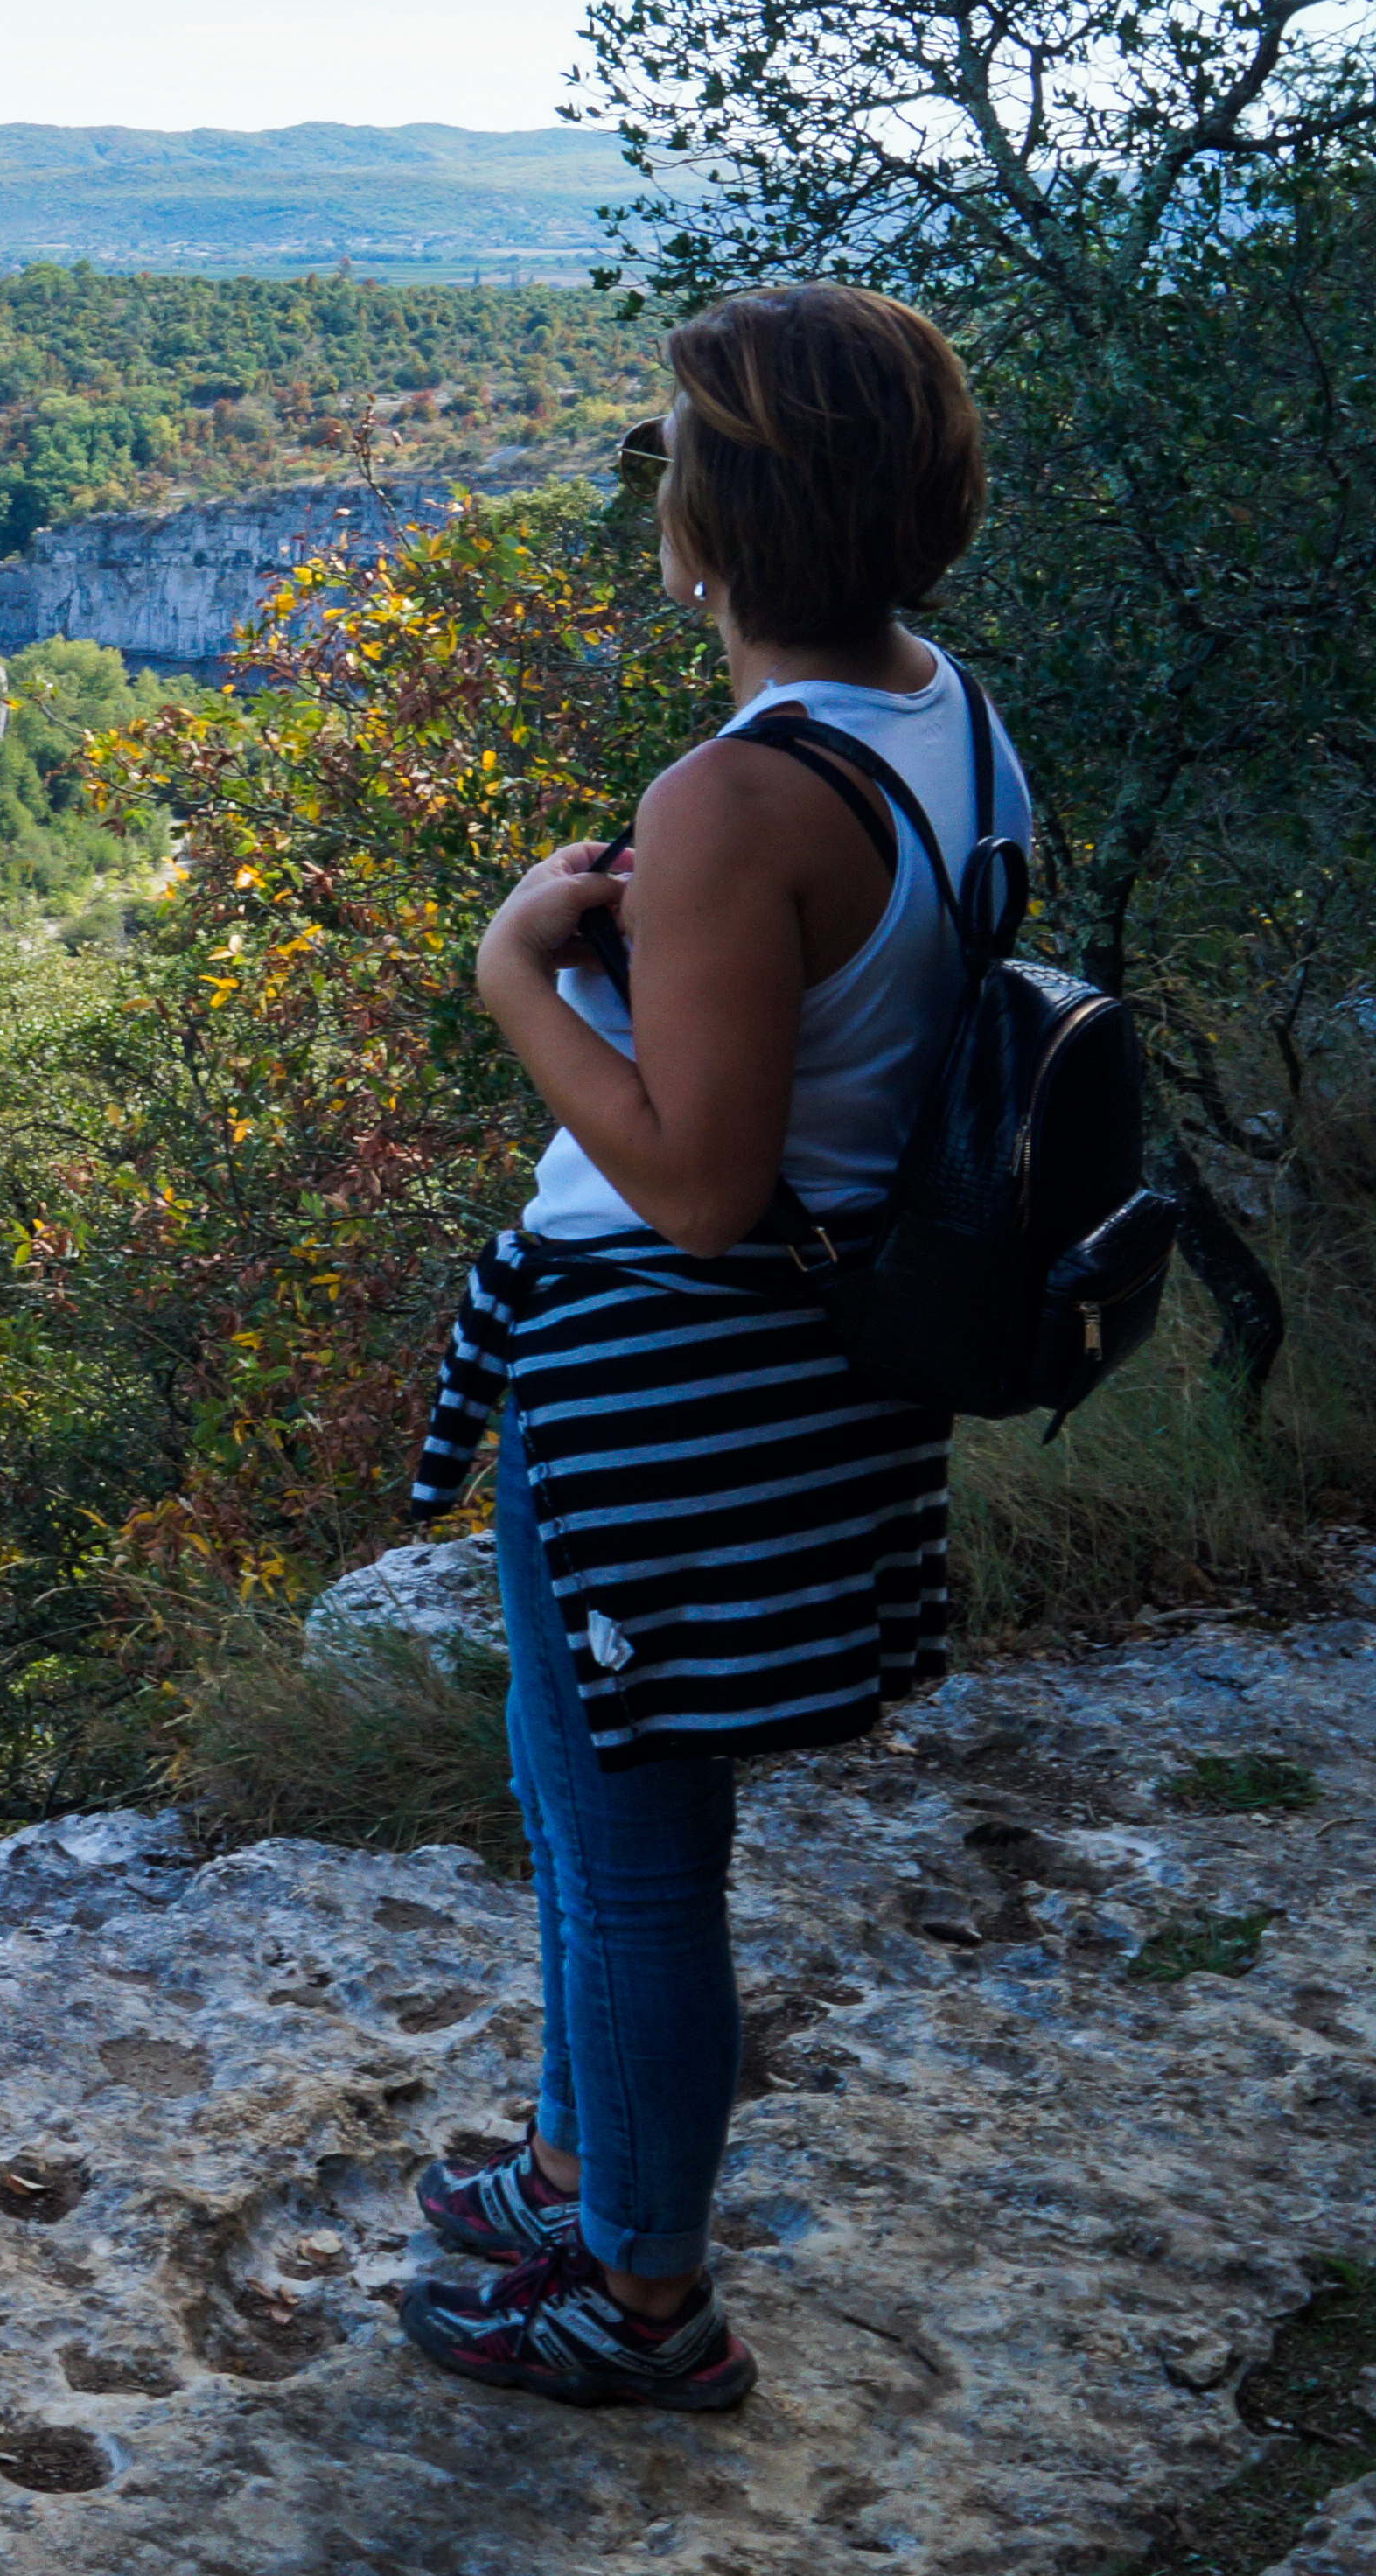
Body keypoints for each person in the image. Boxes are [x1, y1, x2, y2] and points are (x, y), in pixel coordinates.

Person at [398, 281, 1026, 2412]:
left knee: (635, 1847)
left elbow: (690, 1181)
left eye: (676, 452)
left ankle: (643, 2302)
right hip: (804, 1367)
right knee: (576, 1796)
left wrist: (517, 975)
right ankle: (584, 2167)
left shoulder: (730, 798)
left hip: (671, 1376)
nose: (660, 482)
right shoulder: (943, 712)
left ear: (719, 522)